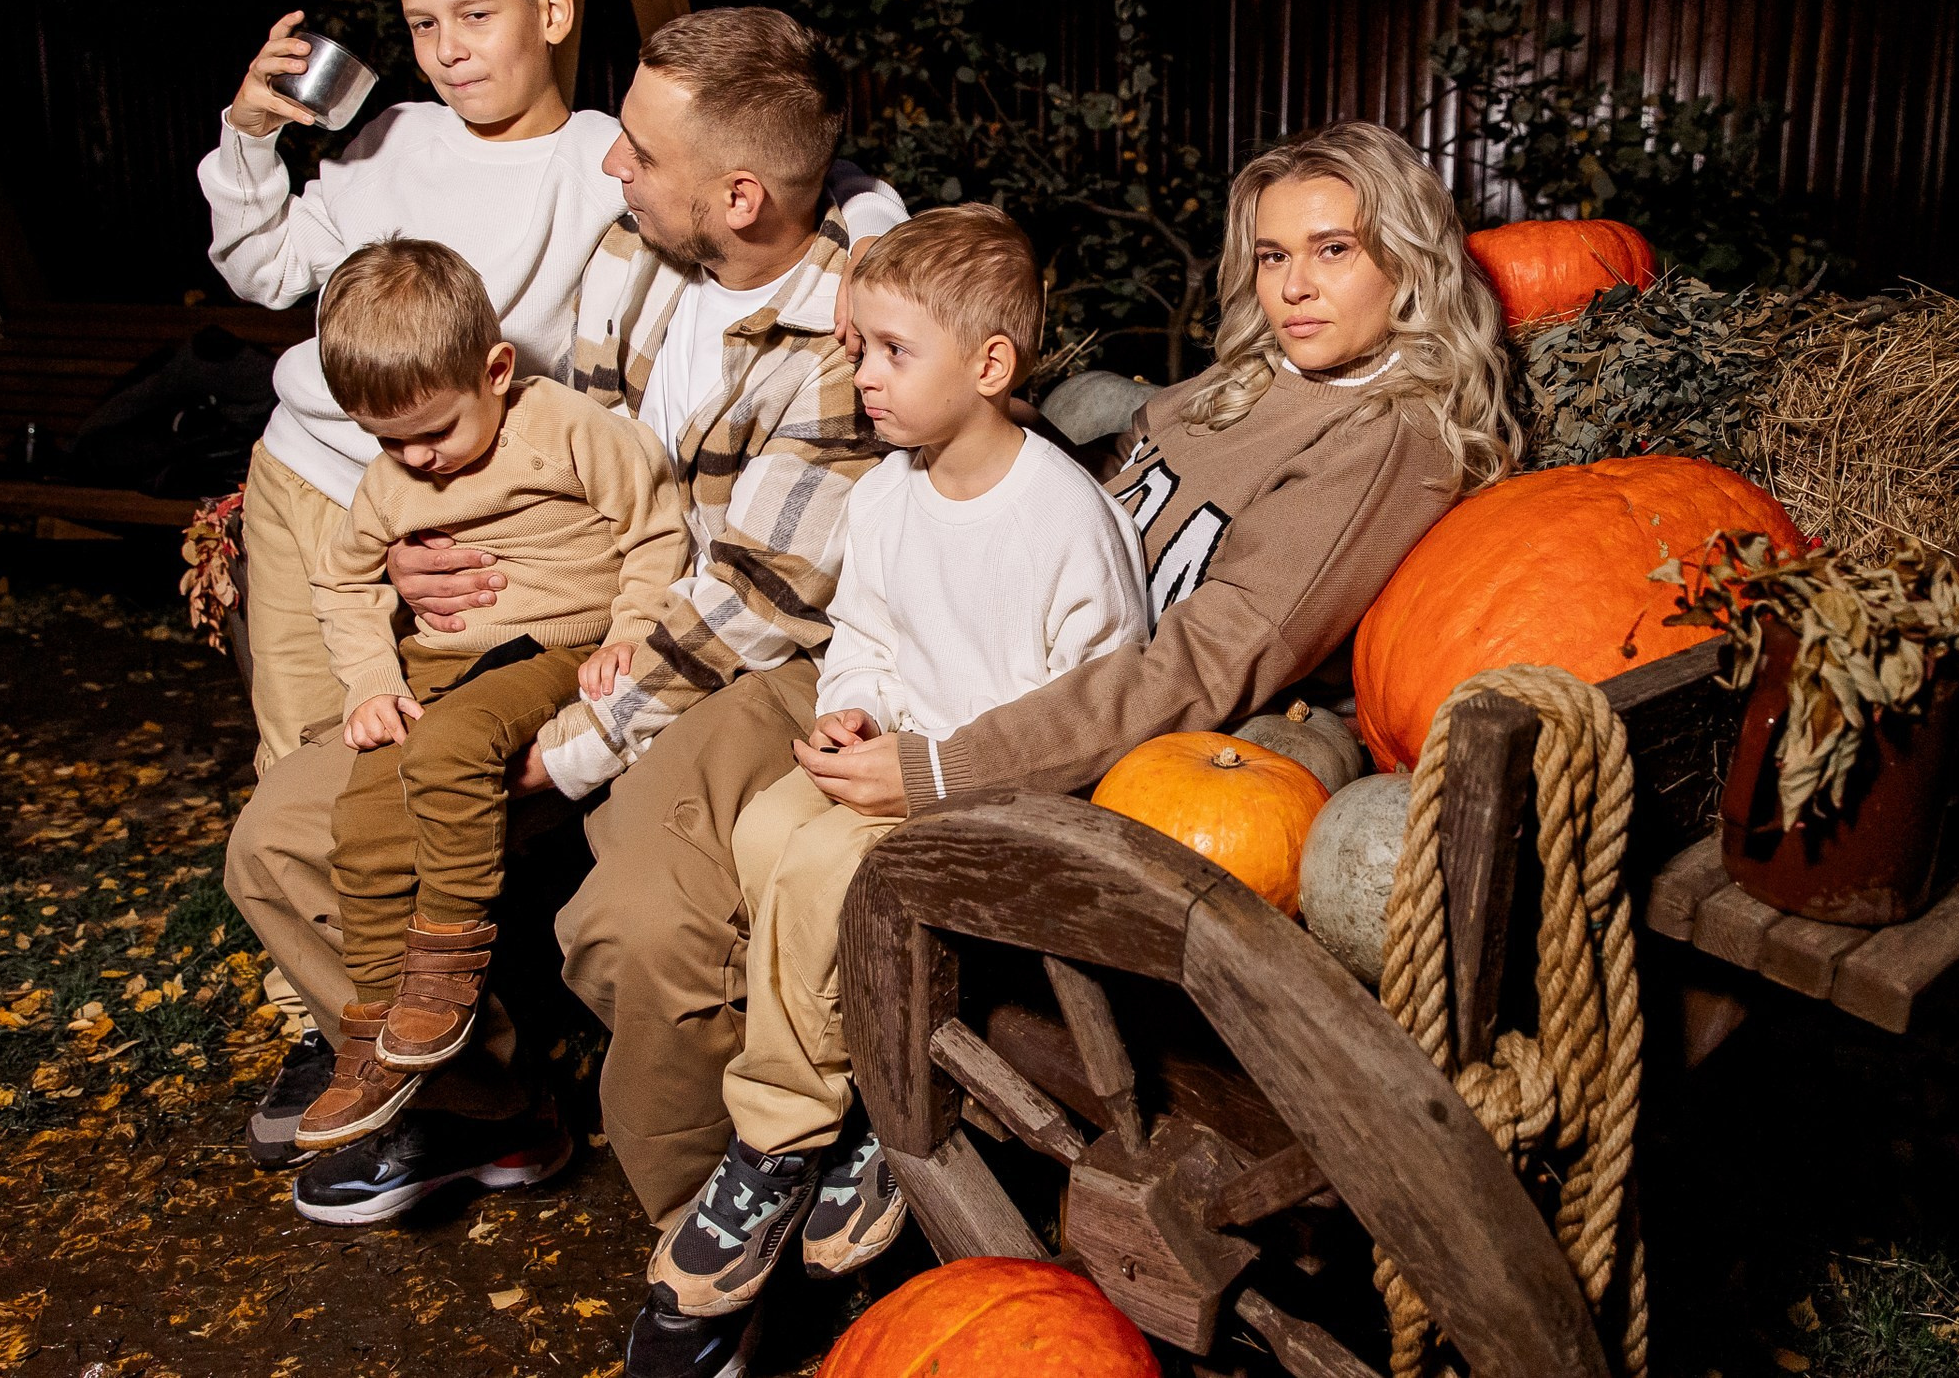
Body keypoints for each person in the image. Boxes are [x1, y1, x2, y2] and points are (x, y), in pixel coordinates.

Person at [575, 117, 1523, 1376]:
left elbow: (1197, 660)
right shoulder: (1257, 381)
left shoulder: (1379, 440)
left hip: (1063, 726)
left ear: (1406, 264)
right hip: (949, 633)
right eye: (1274, 253)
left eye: (1333, 251)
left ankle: (794, 1154)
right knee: (682, 873)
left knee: (795, 869)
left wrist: (946, 765)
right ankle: (758, 1141)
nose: (1293, 285)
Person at [222, 11, 901, 1378]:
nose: (610, 169)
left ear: (742, 195)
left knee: (639, 927)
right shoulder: (634, 256)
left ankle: (716, 1246)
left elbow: (749, 609)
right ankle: (491, 1095)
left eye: (639, 151)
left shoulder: (853, 332)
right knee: (281, 838)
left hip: (754, 667)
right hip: (572, 626)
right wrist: (425, 536)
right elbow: (545, 442)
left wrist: (570, 751)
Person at [199, 0, 897, 781]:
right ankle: (298, 882)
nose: (447, 50)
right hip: (307, 468)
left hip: (457, 493)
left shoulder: (613, 164)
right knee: (295, 732)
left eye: (475, 16)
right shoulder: (387, 138)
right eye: (421, 25)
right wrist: (249, 138)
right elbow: (264, 268)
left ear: (552, 11)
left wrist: (880, 233)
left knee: (378, 738)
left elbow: (788, 163)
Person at [638, 205, 1149, 1319]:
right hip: (894, 769)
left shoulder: (1064, 517)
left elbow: (1097, 704)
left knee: (826, 871)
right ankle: (869, 1063)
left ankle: (784, 1132)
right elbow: (862, 640)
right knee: (769, 831)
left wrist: (934, 765)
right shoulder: (884, 496)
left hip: (997, 801)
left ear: (990, 364)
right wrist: (856, 714)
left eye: (891, 351)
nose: (862, 374)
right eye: (858, 347)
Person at [291, 239, 691, 1154]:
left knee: (452, 747)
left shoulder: (566, 428)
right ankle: (375, 1035)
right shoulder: (391, 478)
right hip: (440, 657)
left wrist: (632, 630)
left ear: (497, 371)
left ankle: (447, 971)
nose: (418, 458)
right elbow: (343, 581)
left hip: (556, 642)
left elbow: (656, 523)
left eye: (435, 431)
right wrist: (372, 680)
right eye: (389, 440)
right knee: (362, 822)